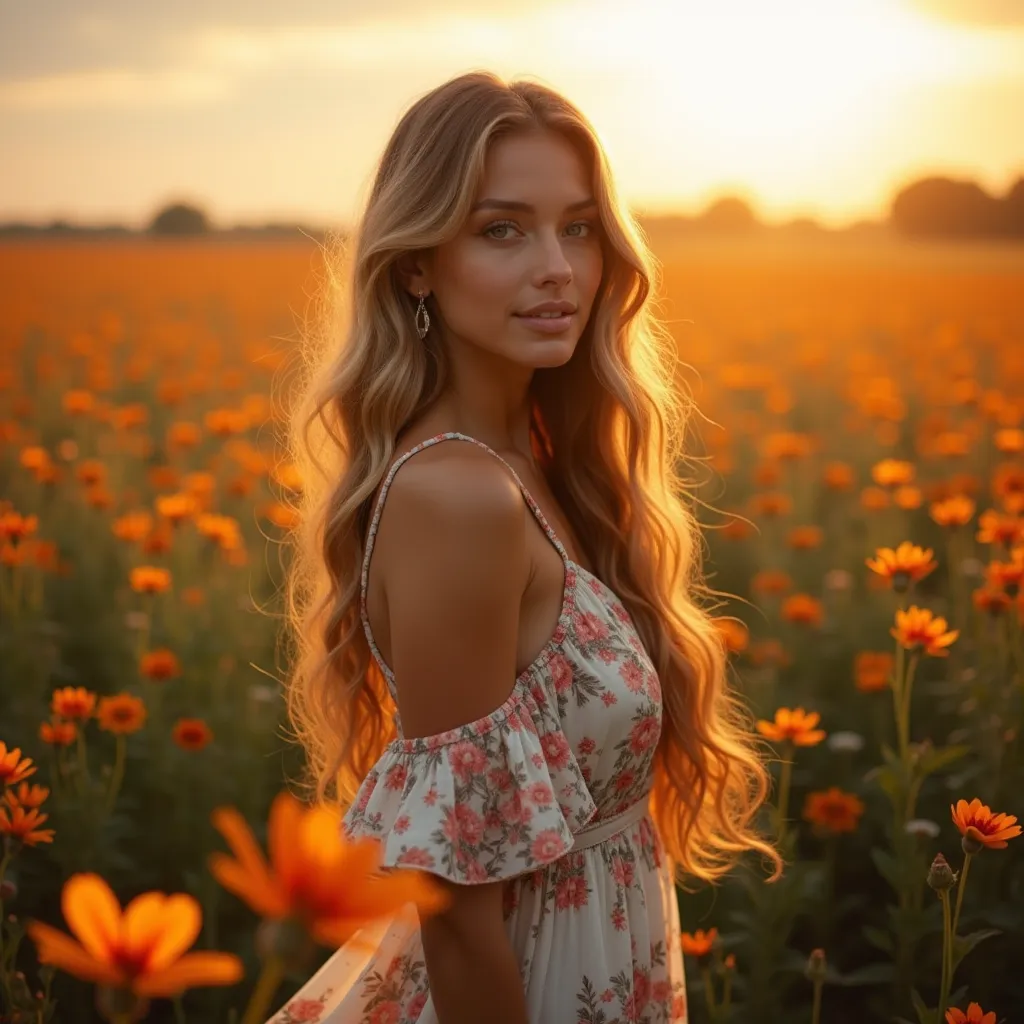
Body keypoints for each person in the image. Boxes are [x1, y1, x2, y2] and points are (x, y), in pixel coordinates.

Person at [276, 70, 781, 1024]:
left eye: (579, 227)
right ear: (418, 262)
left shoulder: (542, 461)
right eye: (502, 229)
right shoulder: (457, 497)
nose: (557, 266)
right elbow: (459, 912)